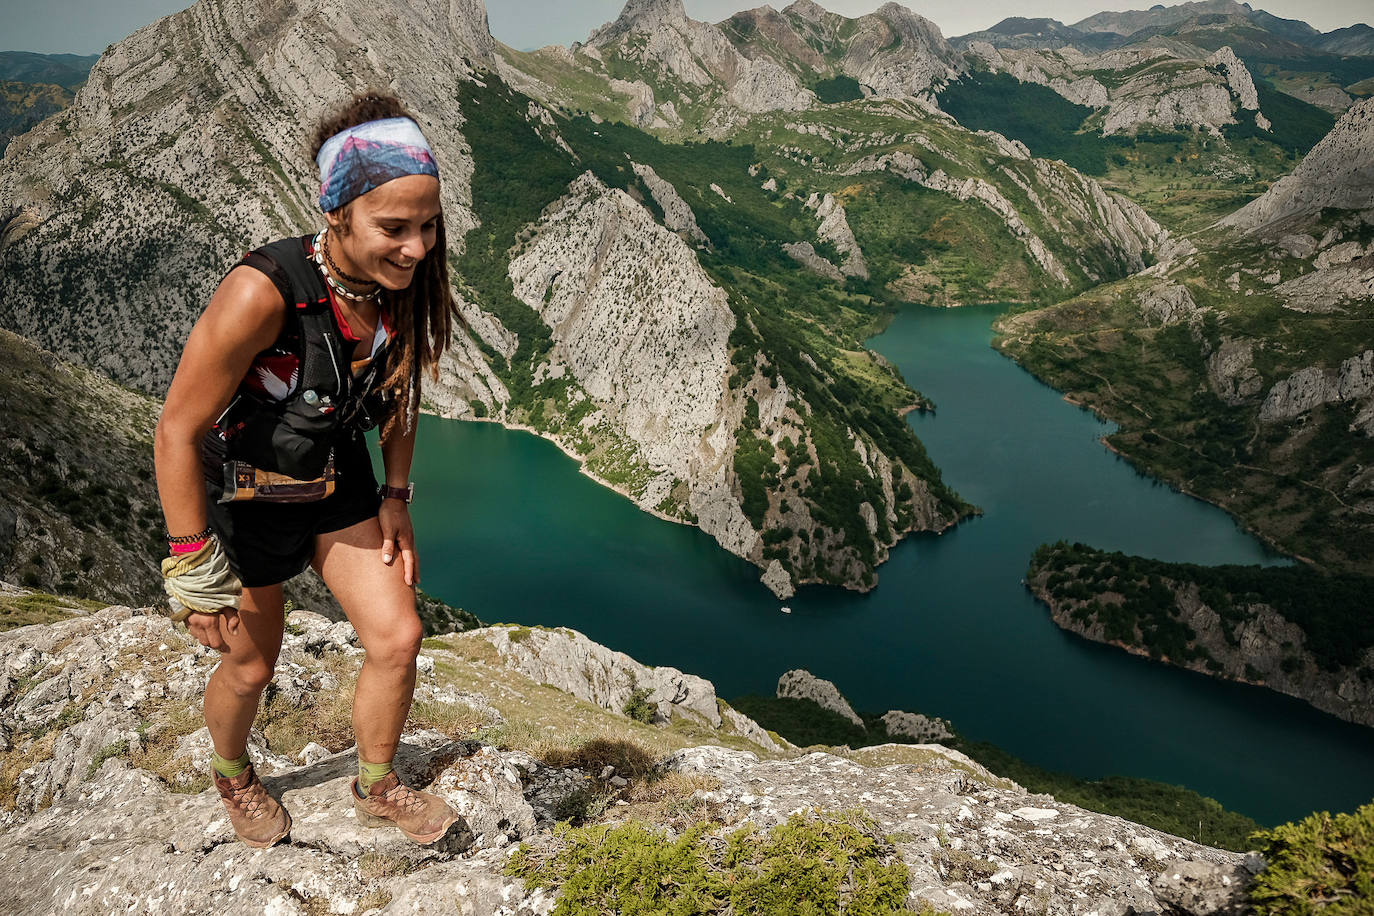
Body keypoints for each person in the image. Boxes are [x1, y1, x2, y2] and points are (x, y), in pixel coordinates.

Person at [154, 91, 463, 848]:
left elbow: (399, 391)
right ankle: (233, 772)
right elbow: (177, 429)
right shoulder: (262, 292)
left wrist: (395, 494)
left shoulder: (399, 286)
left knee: (398, 637)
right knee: (250, 668)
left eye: (427, 226)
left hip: (335, 476)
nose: (416, 248)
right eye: (394, 228)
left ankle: (376, 783)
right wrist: (192, 566)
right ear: (337, 214)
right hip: (245, 494)